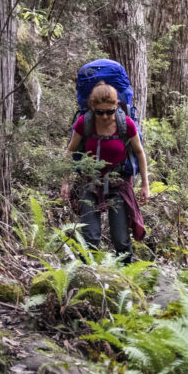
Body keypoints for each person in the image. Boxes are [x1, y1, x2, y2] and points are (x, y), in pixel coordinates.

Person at [60, 82, 149, 261]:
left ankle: (126, 278)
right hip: (90, 181)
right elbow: (70, 151)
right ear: (92, 108)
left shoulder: (127, 124)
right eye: (100, 112)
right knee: (90, 237)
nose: (106, 116)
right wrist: (65, 181)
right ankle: (88, 277)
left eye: (110, 111)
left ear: (116, 105)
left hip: (119, 183)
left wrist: (145, 185)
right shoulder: (84, 123)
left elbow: (140, 152)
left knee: (121, 239)